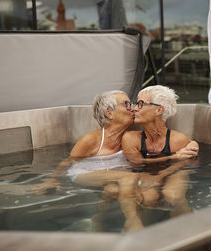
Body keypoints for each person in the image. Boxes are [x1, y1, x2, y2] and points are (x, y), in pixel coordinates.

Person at [32, 90, 143, 231]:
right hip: (85, 172)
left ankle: (98, 220)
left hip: (111, 174)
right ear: (109, 113)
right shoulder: (91, 139)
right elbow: (69, 161)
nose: (132, 108)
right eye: (126, 104)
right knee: (128, 177)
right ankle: (133, 221)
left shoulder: (130, 137)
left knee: (113, 191)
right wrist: (54, 179)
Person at [122, 85, 199, 216]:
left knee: (173, 195)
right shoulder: (130, 138)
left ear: (158, 110)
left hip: (174, 171)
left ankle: (188, 227)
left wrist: (161, 175)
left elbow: (188, 165)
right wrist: (172, 157)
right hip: (144, 171)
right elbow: (136, 162)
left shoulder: (177, 140)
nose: (134, 108)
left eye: (140, 104)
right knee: (148, 198)